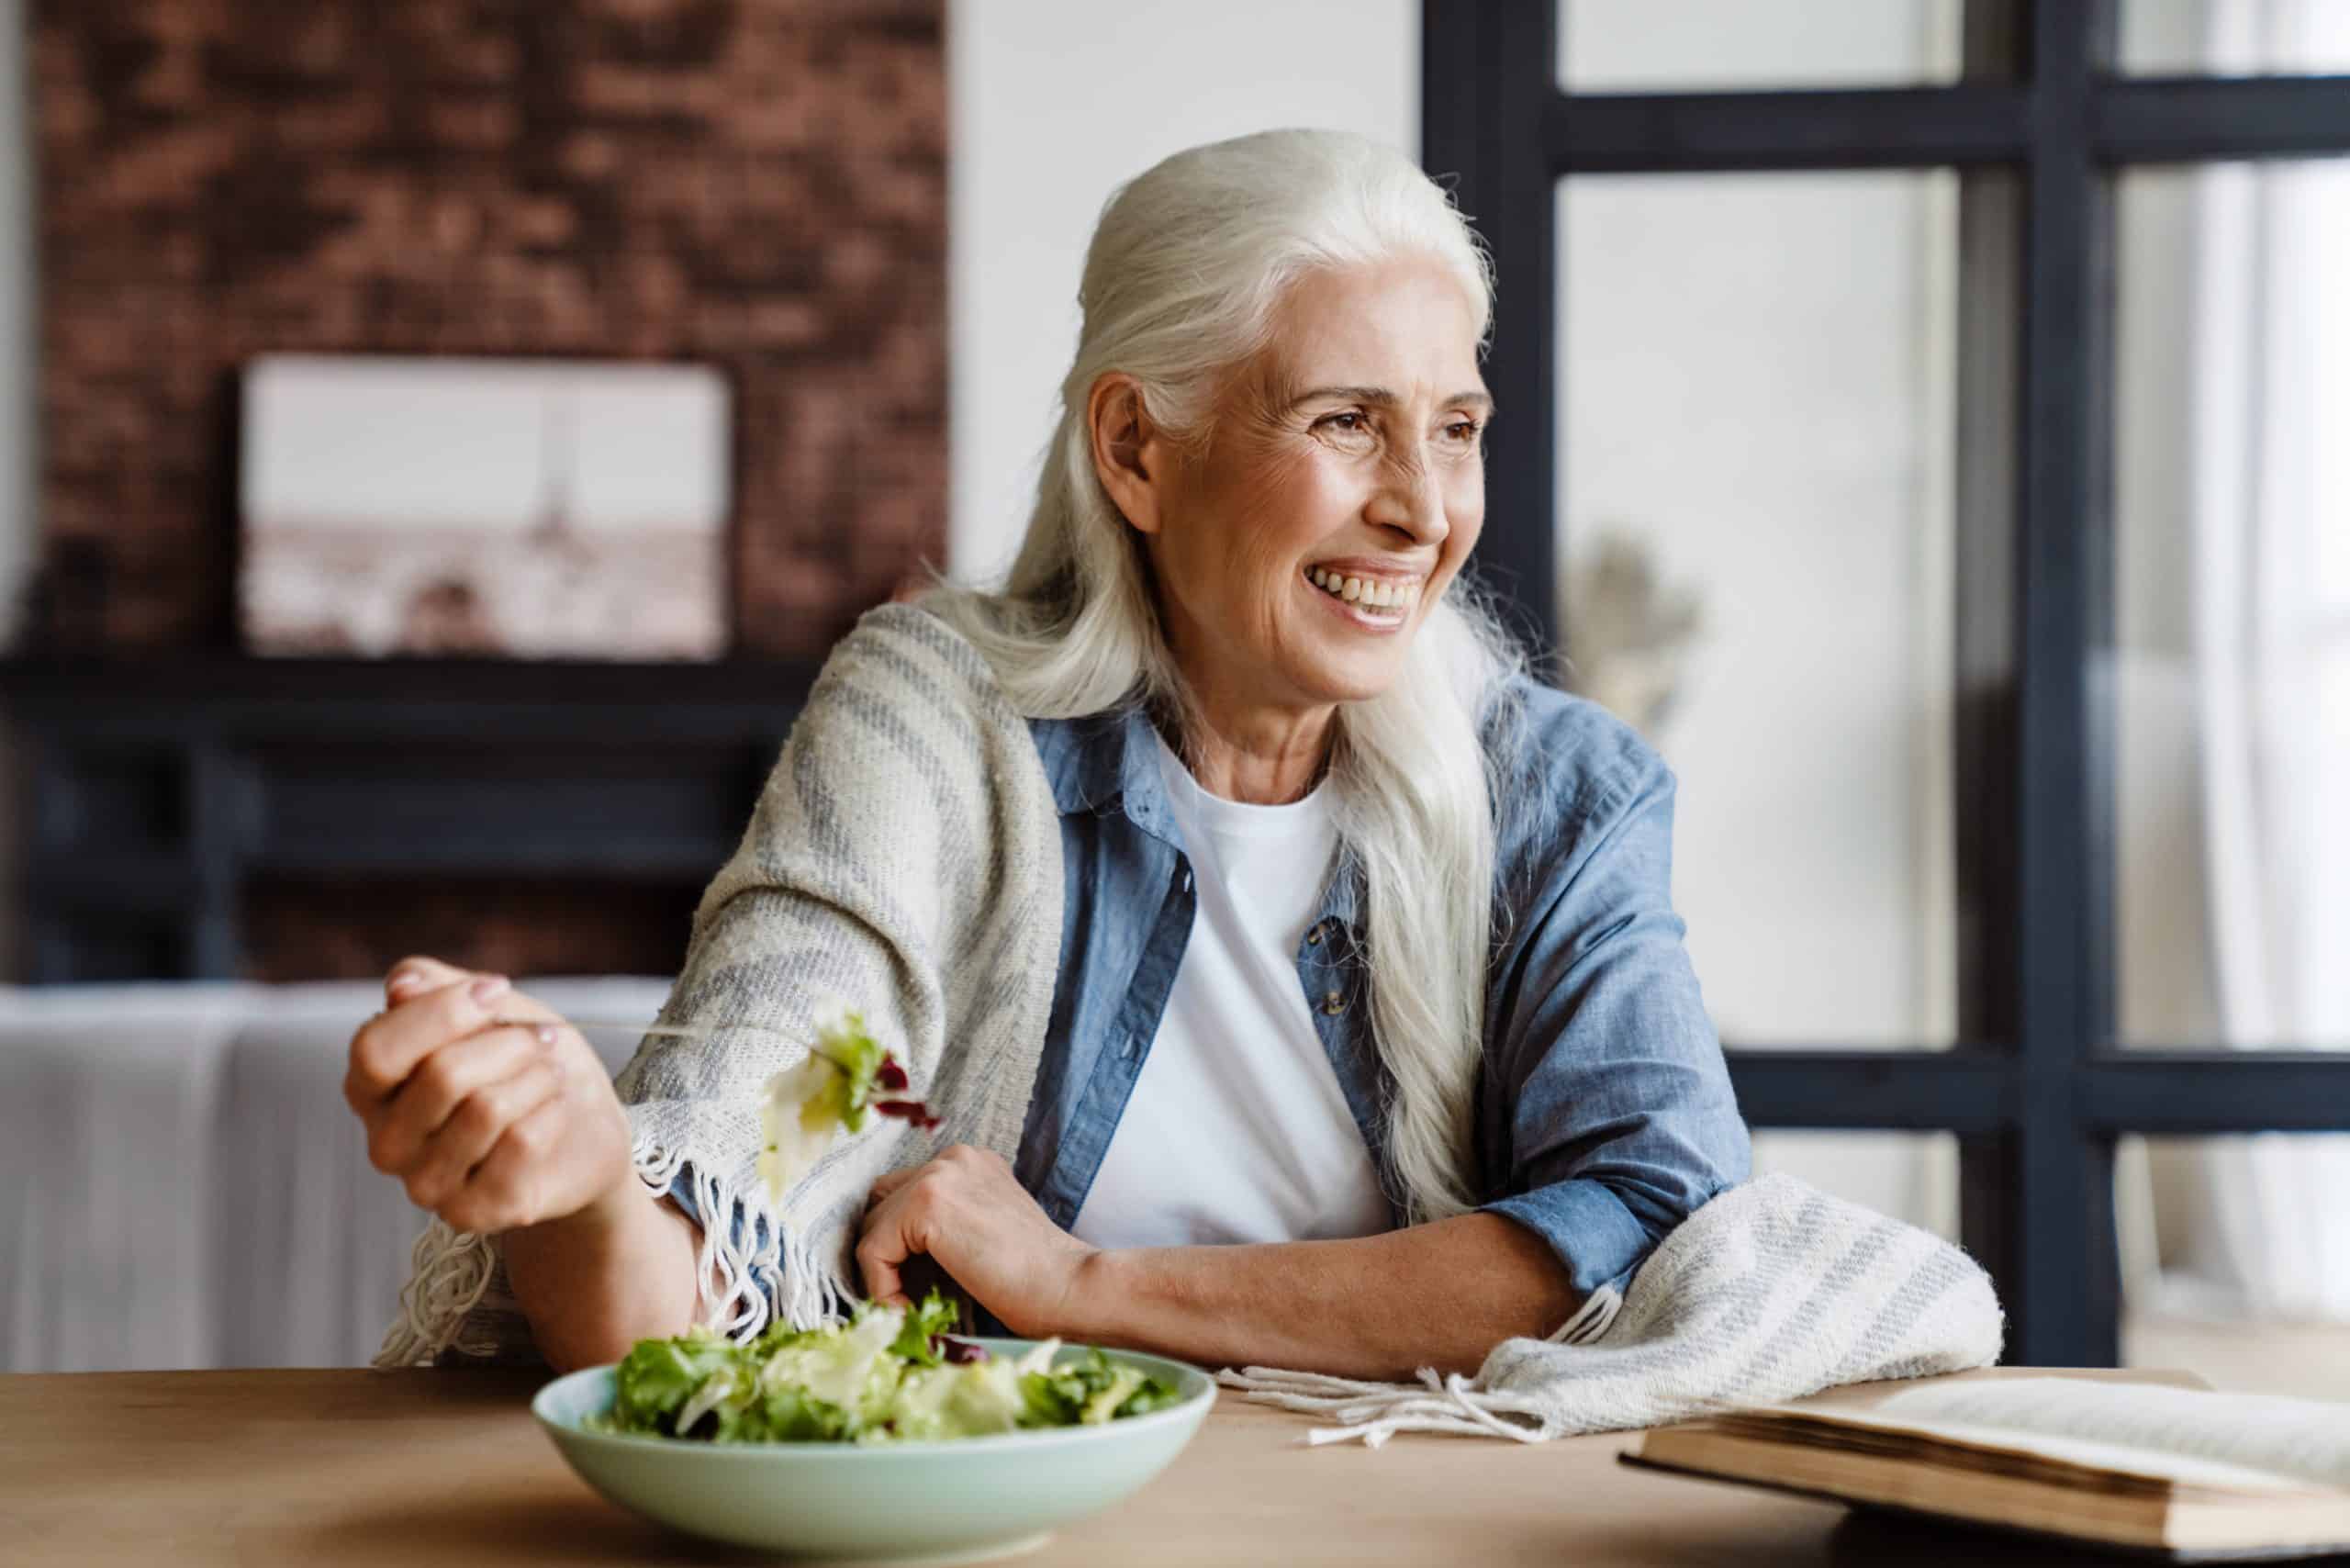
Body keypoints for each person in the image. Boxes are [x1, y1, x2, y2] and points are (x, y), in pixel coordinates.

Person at [345, 129, 1750, 1381]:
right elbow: (725, 1212)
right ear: (1135, 448)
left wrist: (1088, 1289)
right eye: (1345, 422)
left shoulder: (1561, 794)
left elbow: (1667, 1236)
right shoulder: (934, 720)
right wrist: (595, 1183)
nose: (1426, 511)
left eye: (1454, 431)